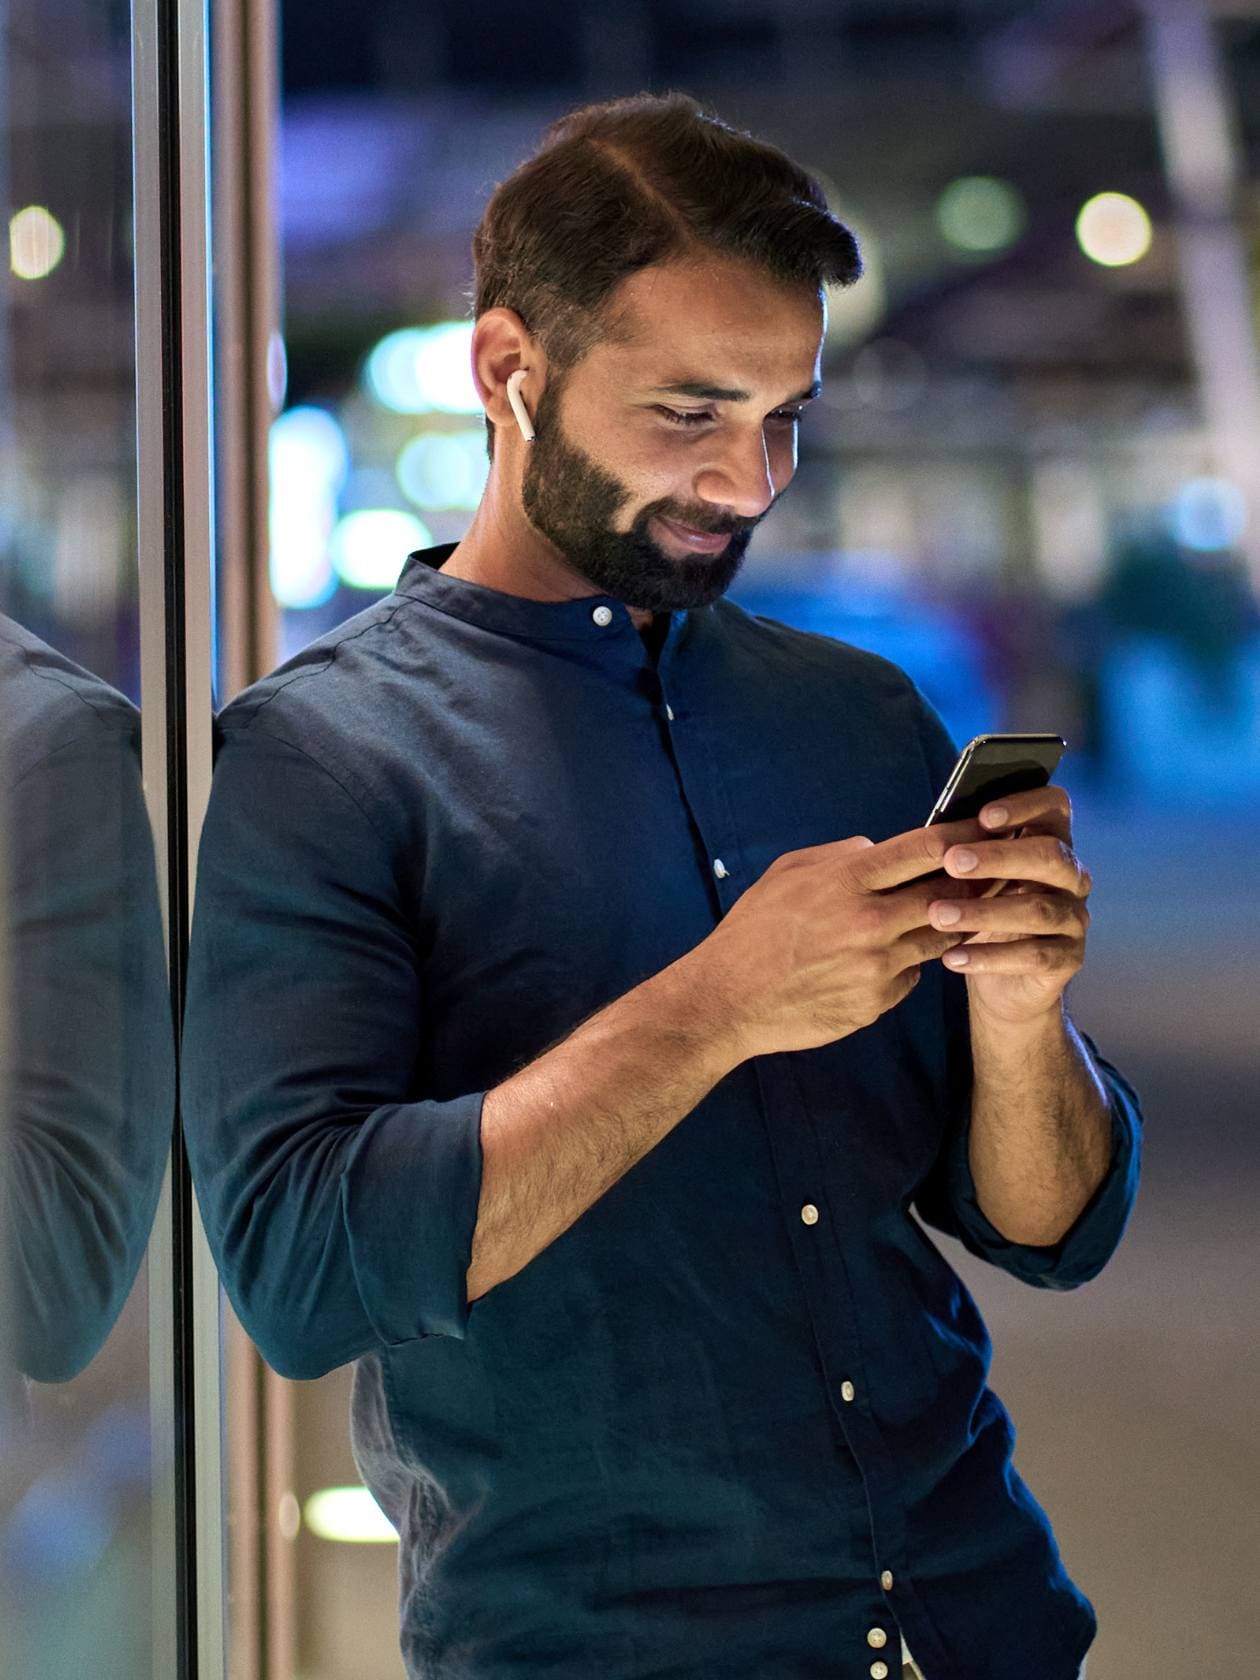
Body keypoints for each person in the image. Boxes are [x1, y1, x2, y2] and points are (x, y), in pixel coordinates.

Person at [181, 93, 1141, 1680]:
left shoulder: (860, 718)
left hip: (981, 1615)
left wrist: (1028, 1021)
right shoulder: (319, 761)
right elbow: (299, 1271)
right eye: (691, 414)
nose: (750, 482)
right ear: (511, 371)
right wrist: (714, 1009)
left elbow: (1044, 1229)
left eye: (786, 416)